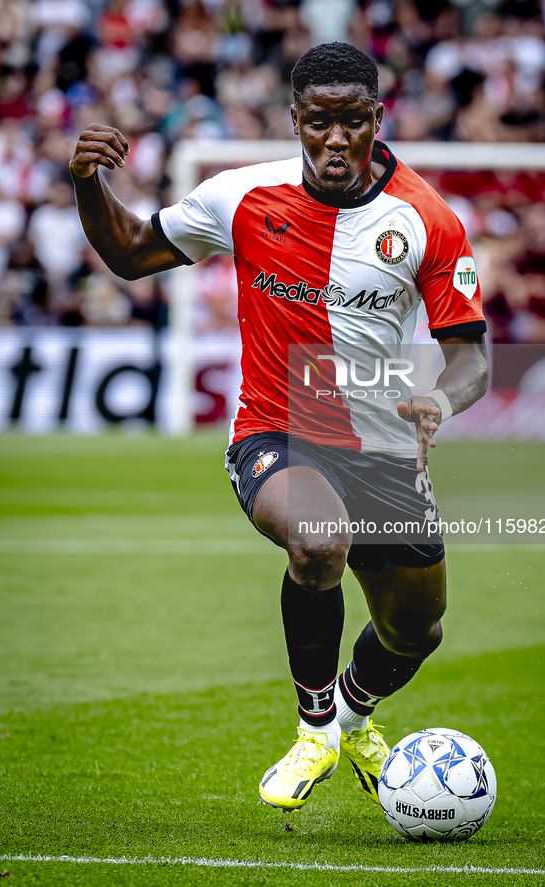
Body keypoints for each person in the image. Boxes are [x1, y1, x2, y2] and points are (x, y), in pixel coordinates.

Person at [69, 42, 488, 813]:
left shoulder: (426, 220)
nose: (335, 141)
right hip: (276, 432)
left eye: (352, 124)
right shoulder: (241, 196)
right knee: (319, 538)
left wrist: (442, 400)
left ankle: (355, 716)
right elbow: (129, 252)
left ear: (376, 119)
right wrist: (87, 181)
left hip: (387, 448)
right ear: (294, 119)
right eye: (318, 124)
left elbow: (470, 357)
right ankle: (314, 726)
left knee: (415, 630)